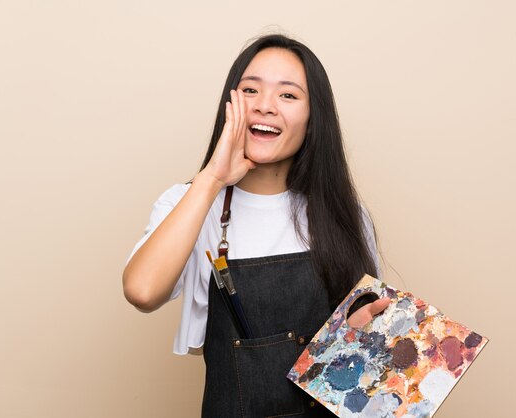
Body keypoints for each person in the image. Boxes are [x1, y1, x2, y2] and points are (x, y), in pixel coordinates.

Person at [123, 34, 391, 417]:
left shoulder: (344, 214)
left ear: (314, 118)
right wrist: (212, 178)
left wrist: (355, 334)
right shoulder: (191, 203)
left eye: (288, 95)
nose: (265, 106)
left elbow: (363, 364)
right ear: (230, 106)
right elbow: (142, 291)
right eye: (251, 90)